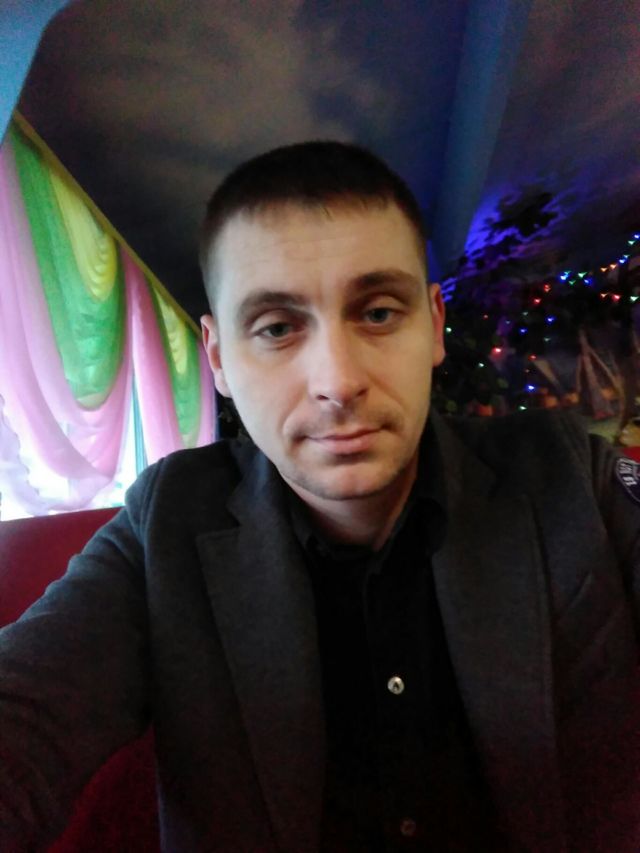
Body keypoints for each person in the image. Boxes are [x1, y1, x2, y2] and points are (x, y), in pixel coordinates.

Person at [1, 141, 639, 852]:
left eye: (378, 313)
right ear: (218, 358)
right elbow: (26, 714)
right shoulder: (168, 524)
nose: (338, 380)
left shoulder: (570, 477)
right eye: (277, 328)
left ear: (434, 324)